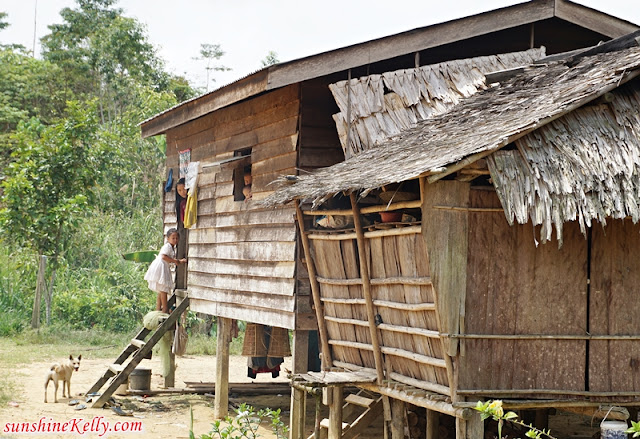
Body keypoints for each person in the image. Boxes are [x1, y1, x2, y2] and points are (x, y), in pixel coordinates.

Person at [144, 228, 187, 313]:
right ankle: (164, 308)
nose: (175, 240)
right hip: (161, 266)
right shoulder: (167, 246)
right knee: (163, 289)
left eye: (177, 238)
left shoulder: (171, 247)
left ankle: (158, 308)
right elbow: (163, 256)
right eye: (173, 238)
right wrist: (176, 261)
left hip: (163, 265)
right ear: (168, 238)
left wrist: (178, 261)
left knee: (161, 289)